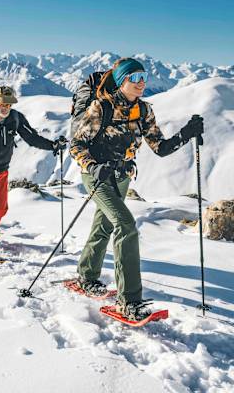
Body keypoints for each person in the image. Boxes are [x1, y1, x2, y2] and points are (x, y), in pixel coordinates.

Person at [69, 58, 203, 320]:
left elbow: (160, 148)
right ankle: (129, 301)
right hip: (96, 176)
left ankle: (86, 276)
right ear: (121, 81)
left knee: (105, 225)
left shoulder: (143, 110)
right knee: (125, 224)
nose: (142, 83)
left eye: (144, 77)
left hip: (121, 176)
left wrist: (186, 134)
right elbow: (76, 145)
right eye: (135, 77)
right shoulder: (102, 107)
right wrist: (93, 166)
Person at [0, 86, 67, 261]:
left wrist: (53, 146)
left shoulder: (15, 118)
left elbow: (32, 138)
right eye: (2, 103)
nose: (5, 108)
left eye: (9, 105)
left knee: (1, 208)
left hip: (1, 170)